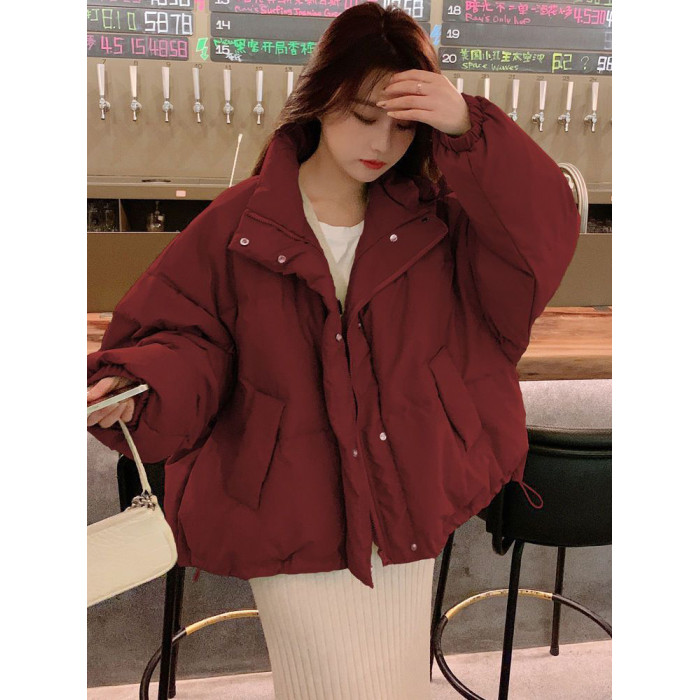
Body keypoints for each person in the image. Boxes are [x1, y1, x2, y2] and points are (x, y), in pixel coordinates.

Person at [87, 5, 580, 698]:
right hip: (295, 498)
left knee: (397, 684)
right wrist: (139, 388)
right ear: (320, 99)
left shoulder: (436, 224)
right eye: (362, 115)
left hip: (403, 492)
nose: (382, 142)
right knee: (322, 683)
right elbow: (188, 339)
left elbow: (538, 240)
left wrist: (471, 127)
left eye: (404, 125)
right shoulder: (237, 225)